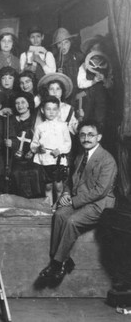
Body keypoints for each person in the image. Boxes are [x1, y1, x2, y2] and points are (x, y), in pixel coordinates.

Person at [39, 119, 117, 283]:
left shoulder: (107, 160)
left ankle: (57, 263)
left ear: (99, 137)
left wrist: (73, 202)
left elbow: (100, 191)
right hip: (79, 200)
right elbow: (70, 181)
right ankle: (63, 260)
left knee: (72, 221)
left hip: (99, 204)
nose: (86, 138)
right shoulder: (80, 155)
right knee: (59, 215)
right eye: (82, 135)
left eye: (91, 135)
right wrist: (66, 194)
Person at [30, 96, 72, 206]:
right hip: (45, 160)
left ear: (58, 111)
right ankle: (49, 206)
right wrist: (38, 148)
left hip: (58, 160)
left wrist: (60, 150)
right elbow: (33, 144)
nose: (51, 112)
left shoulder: (63, 126)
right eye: (48, 109)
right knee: (47, 186)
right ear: (43, 110)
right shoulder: (40, 127)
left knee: (58, 186)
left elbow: (68, 143)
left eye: (54, 109)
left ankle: (58, 206)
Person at [10, 92, 43, 198]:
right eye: (17, 103)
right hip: (16, 159)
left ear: (29, 104)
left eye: (23, 102)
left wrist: (32, 152)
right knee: (15, 173)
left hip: (33, 158)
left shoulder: (36, 120)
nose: (20, 106)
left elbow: (41, 141)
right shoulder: (11, 121)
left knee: (35, 173)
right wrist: (15, 151)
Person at [51, 27, 84, 101]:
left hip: (78, 96)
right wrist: (57, 75)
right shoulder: (53, 60)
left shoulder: (79, 56)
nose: (63, 46)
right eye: (60, 43)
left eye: (66, 42)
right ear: (56, 45)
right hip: (62, 97)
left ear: (70, 42)